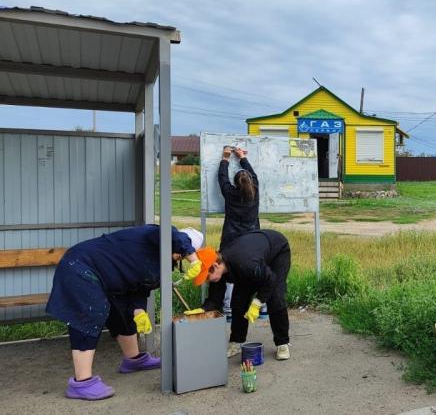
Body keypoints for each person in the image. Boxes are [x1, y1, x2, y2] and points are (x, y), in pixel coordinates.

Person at [45, 225, 204, 401]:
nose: (177, 257)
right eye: (179, 253)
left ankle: (134, 360)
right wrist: (194, 259)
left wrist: (139, 312)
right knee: (92, 313)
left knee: (123, 312)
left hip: (106, 279)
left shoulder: (161, 263)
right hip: (80, 265)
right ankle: (81, 383)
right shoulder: (155, 235)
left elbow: (139, 289)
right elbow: (172, 234)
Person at [201, 229, 291, 360]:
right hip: (253, 257)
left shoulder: (245, 263)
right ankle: (236, 341)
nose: (206, 280)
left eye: (207, 277)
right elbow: (215, 299)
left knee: (275, 296)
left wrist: (257, 303)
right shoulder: (219, 270)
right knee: (238, 300)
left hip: (277, 250)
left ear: (215, 265)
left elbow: (270, 279)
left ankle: (282, 343)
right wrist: (202, 310)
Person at [202, 145, 260, 320]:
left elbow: (222, 178)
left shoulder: (230, 193)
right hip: (251, 240)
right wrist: (242, 157)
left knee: (227, 272)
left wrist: (225, 159)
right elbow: (254, 175)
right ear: (250, 182)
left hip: (231, 239)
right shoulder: (255, 192)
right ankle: (256, 305)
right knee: (249, 271)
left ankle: (227, 308)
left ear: (235, 184)